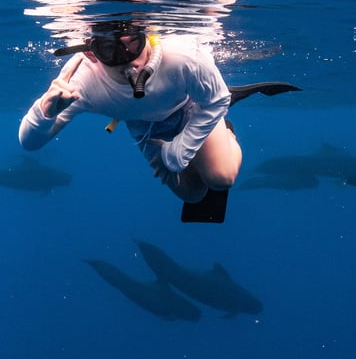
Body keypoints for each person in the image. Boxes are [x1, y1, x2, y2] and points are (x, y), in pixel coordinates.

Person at [18, 20, 241, 215]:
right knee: (192, 194)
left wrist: (178, 153)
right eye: (109, 49)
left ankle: (227, 133)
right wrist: (44, 112)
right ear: (91, 53)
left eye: (133, 43)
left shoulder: (182, 56)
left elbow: (218, 100)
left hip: (191, 107)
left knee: (221, 178)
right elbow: (29, 143)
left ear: (147, 37)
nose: (128, 61)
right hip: (145, 126)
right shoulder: (81, 82)